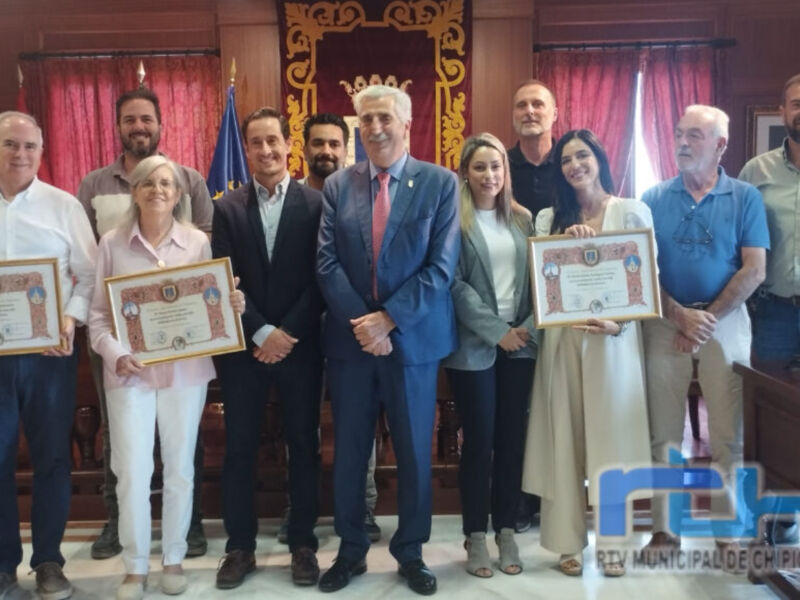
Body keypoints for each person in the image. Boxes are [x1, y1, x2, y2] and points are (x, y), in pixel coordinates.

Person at [316, 84, 460, 596]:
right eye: (366, 119)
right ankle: (350, 551)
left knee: (415, 454)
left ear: (406, 121)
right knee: (350, 452)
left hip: (414, 343)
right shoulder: (338, 185)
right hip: (351, 344)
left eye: (384, 118)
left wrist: (389, 321)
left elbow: (441, 267)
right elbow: (327, 264)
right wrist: (365, 323)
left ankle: (411, 553)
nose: (374, 128)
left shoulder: (441, 184)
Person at [88, 155, 243, 600]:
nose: (158, 190)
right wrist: (116, 353)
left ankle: (173, 557)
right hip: (129, 374)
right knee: (131, 472)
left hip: (185, 372)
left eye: (167, 184)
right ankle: (135, 567)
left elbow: (212, 304)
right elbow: (98, 318)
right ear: (133, 191)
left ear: (179, 195)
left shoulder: (196, 243)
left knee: (179, 469)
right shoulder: (111, 244)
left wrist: (231, 307)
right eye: (148, 183)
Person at [77, 87, 214, 560]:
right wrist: (115, 348)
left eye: (147, 119)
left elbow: (208, 271)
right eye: (130, 119)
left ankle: (183, 536)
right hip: (124, 354)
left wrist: (221, 304)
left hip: (182, 357)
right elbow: (92, 284)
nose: (139, 126)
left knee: (181, 457)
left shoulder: (193, 201)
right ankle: (123, 533)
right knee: (126, 454)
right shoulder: (96, 191)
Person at [521, 129, 653, 578]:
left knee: (612, 439)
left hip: (613, 343)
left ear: (599, 157)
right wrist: (569, 243)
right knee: (565, 439)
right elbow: (540, 284)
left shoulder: (632, 210)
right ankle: (566, 542)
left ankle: (614, 544)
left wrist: (621, 324)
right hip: (562, 342)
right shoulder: (548, 219)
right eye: (566, 160)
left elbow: (645, 280)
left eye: (582, 155)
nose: (575, 165)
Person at [641, 105, 769, 563]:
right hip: (665, 323)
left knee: (729, 436)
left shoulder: (745, 197)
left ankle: (729, 528)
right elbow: (640, 268)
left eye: (695, 135)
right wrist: (678, 315)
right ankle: (664, 531)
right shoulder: (652, 198)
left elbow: (755, 268)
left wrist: (706, 318)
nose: (683, 142)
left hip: (725, 322)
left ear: (720, 145)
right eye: (678, 133)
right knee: (664, 434)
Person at [212, 107, 325, 590]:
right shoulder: (226, 207)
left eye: (273, 140)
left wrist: (286, 333)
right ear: (247, 150)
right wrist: (261, 332)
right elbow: (223, 279)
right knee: (239, 449)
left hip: (300, 346)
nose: (266, 150)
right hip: (245, 350)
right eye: (255, 142)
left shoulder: (316, 204)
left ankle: (303, 543)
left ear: (288, 145)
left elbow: (323, 277)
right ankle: (240, 547)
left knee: (303, 444)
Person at [0, 111, 97, 600]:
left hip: (49, 355)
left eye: (29, 146)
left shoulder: (63, 207)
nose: (20, 154)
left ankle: (49, 562)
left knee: (53, 459)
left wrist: (70, 318)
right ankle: (1, 564)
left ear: (42, 151)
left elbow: (89, 273)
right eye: (10, 144)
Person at [441, 133, 537, 578]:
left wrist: (525, 329)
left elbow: (541, 280)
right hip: (475, 349)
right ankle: (476, 535)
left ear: (506, 171)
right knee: (478, 445)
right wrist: (498, 332)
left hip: (521, 347)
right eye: (480, 167)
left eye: (496, 167)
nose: (489, 175)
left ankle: (507, 532)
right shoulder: (453, 223)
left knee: (512, 442)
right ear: (465, 172)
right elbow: (455, 286)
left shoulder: (523, 219)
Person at [287, 112, 382, 544]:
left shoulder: (361, 196)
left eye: (334, 144)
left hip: (354, 327)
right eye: (318, 143)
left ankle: (363, 506)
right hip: (301, 332)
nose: (326, 151)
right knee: (302, 424)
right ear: (303, 148)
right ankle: (299, 509)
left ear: (347, 149)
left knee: (360, 421)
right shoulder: (290, 200)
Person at [739, 74, 800, 545]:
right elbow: (737, 239)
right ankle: (776, 525)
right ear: (783, 112)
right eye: (796, 103)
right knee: (775, 419)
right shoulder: (755, 172)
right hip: (775, 313)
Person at [507, 79, 559, 532]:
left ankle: (560, 497)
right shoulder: (498, 167)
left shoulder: (573, 161)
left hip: (567, 303)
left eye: (538, 103)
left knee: (559, 402)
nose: (530, 111)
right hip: (516, 305)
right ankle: (521, 499)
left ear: (553, 113)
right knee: (521, 406)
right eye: (522, 105)